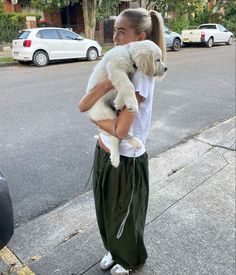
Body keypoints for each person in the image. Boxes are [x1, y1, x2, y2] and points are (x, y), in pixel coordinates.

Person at [79, 7, 166, 275]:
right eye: (115, 30)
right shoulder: (119, 63)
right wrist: (103, 87)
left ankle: (129, 260)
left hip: (127, 157)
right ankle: (114, 250)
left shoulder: (142, 74)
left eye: (121, 32)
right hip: (104, 151)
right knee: (106, 212)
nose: (115, 37)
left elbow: (119, 129)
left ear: (140, 38)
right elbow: (85, 102)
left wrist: (95, 119)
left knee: (125, 215)